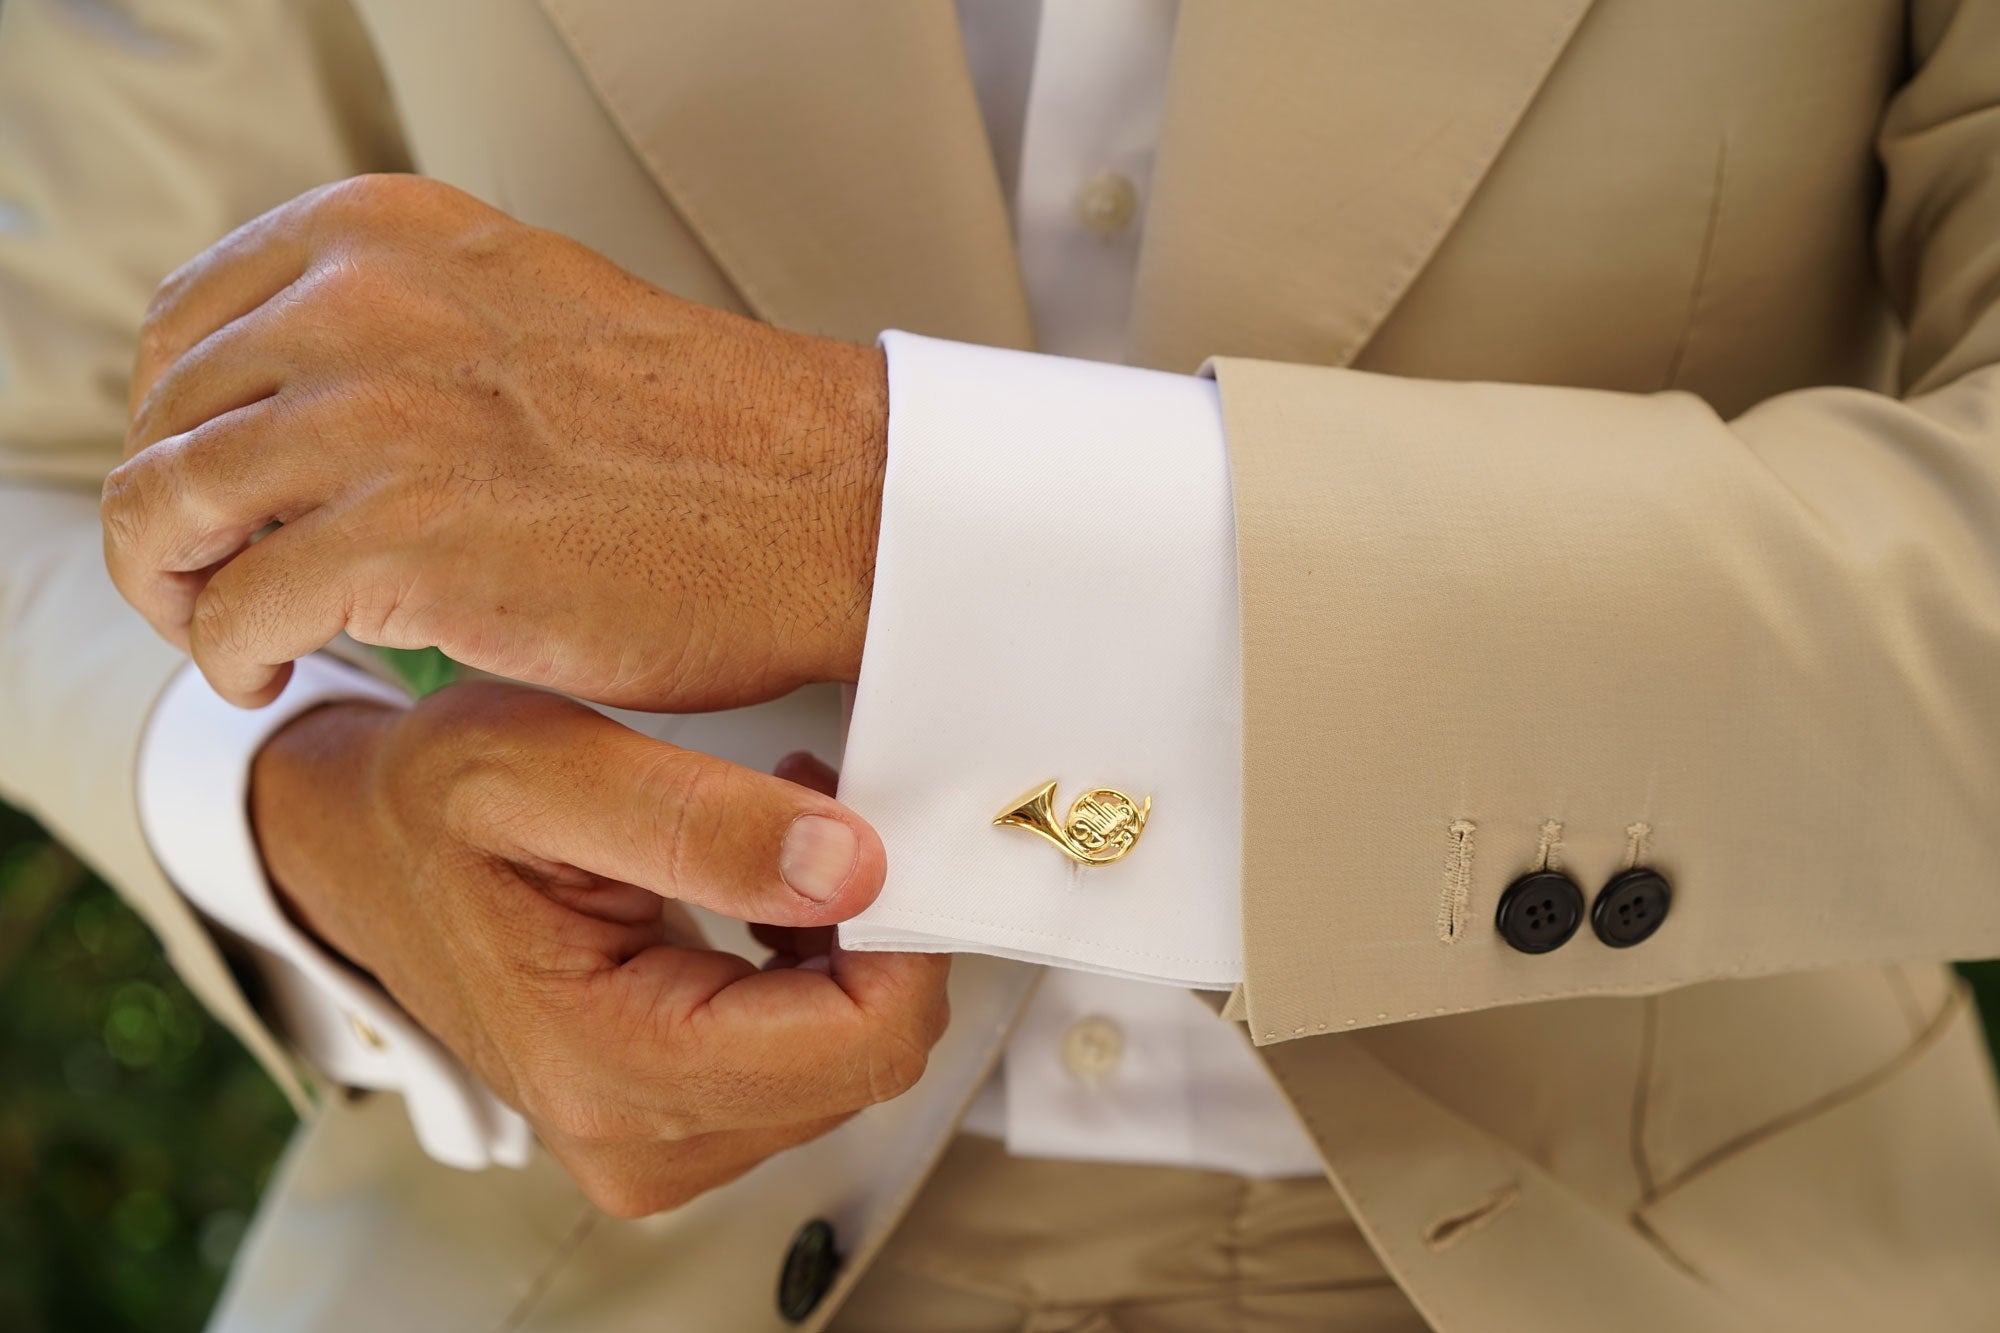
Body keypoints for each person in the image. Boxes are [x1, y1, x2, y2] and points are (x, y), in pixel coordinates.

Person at [6, 0, 2000, 1327]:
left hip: (1677, 1233)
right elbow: (51, 446)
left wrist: (882, 512)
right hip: (578, 1254)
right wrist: (310, 800)